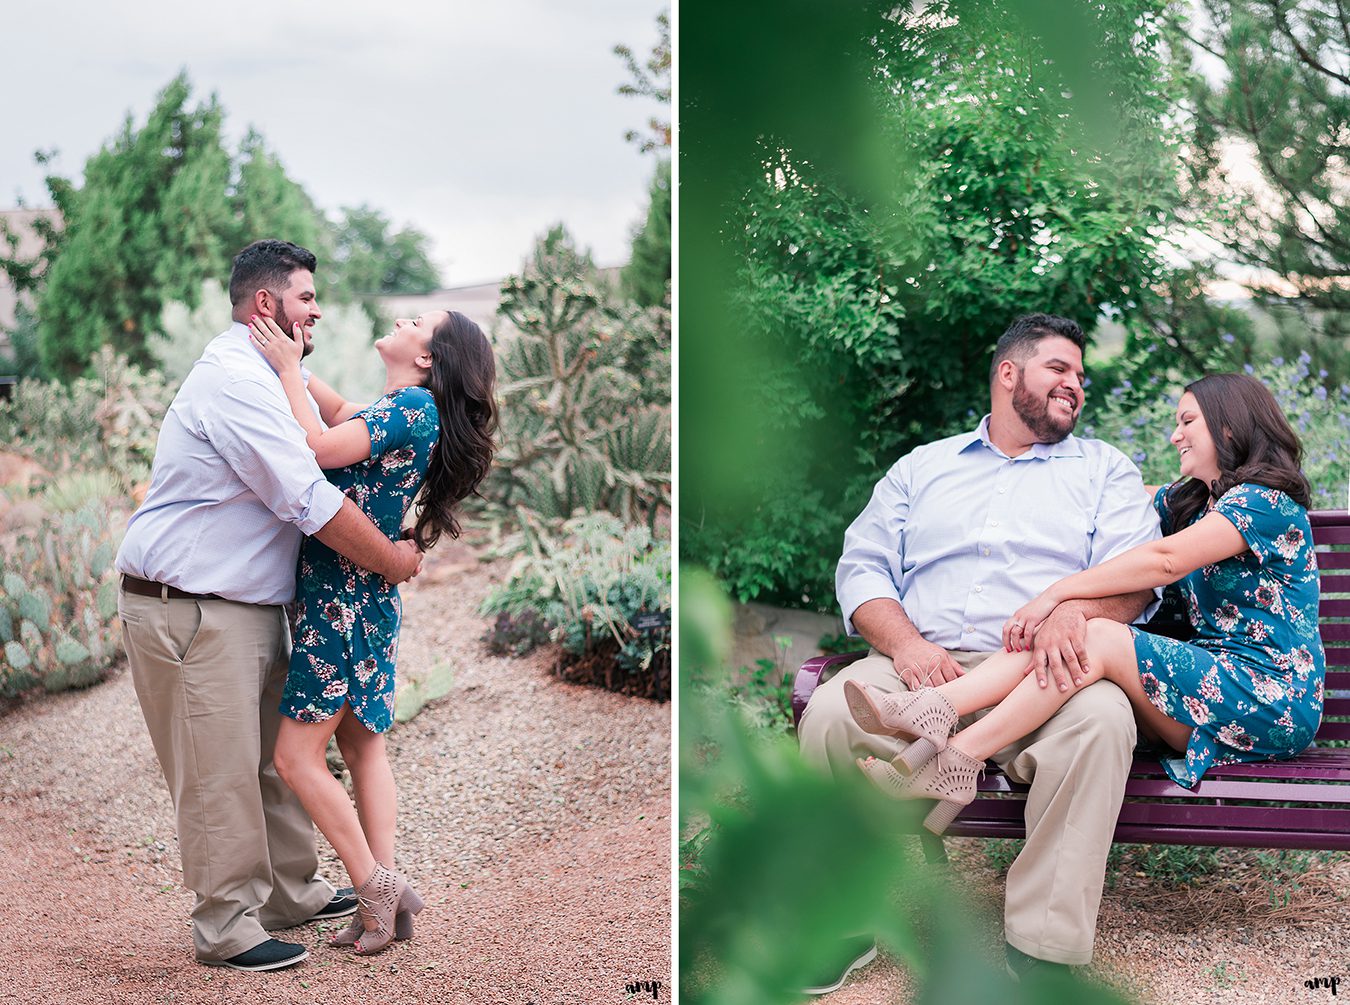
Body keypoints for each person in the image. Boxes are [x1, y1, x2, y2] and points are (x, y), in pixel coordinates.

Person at [797, 313, 1161, 990]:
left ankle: (1045, 949)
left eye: (1082, 376)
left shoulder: (1106, 472)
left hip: (1052, 673)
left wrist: (1072, 613)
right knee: (828, 715)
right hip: (923, 661)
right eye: (1059, 368)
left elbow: (1136, 581)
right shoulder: (923, 467)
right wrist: (906, 646)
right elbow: (863, 569)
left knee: (1104, 720)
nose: (1075, 385)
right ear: (1008, 373)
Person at [116, 240, 424, 973]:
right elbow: (308, 499)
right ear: (267, 305)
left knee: (275, 761)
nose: (318, 309)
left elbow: (351, 430)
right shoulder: (233, 381)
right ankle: (225, 924)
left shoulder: (274, 371)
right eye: (307, 297)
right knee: (218, 770)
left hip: (251, 605)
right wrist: (396, 562)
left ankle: (294, 891)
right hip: (191, 607)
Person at [850, 371, 1324, 826]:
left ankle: (952, 744)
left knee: (1086, 631)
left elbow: (1164, 561)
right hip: (1203, 696)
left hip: (1271, 696)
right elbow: (1092, 495)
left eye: (1186, 422)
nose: (1174, 436)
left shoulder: (1265, 502)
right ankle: (937, 718)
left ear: (1228, 423)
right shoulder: (1195, 503)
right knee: (1059, 631)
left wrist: (1055, 594)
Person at [247, 307, 497, 955]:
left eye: (416, 319)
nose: (399, 316)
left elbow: (321, 445)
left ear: (427, 358)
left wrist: (282, 368)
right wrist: (295, 361)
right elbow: (331, 409)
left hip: (340, 606)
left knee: (294, 758)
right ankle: (380, 907)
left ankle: (373, 885)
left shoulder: (409, 407)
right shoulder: (407, 406)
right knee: (363, 749)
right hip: (368, 602)